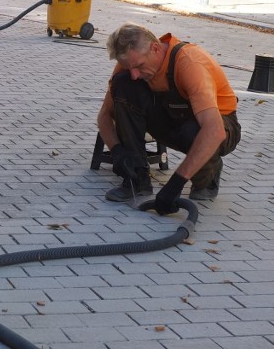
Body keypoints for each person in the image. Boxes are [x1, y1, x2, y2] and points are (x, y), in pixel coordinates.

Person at [97, 23, 241, 215]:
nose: (135, 74)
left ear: (155, 48)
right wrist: (118, 152)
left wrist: (176, 183)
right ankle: (137, 178)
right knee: (124, 85)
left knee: (195, 131)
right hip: (172, 117)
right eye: (129, 67)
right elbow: (104, 116)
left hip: (220, 125)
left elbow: (214, 131)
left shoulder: (190, 63)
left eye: (139, 66)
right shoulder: (129, 64)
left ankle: (208, 177)